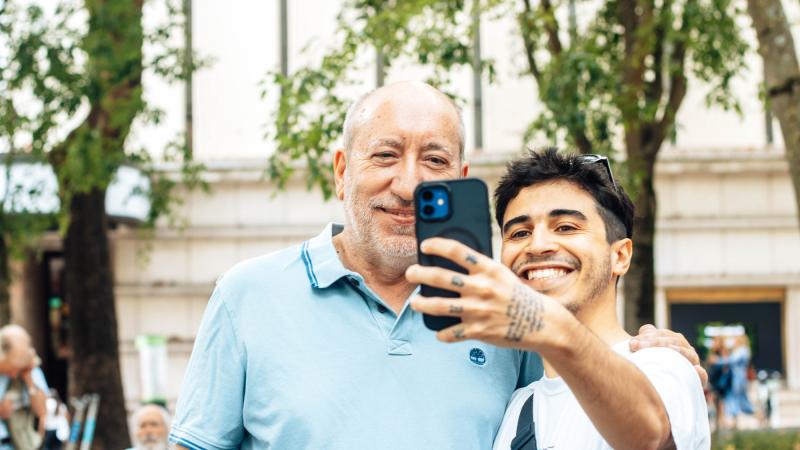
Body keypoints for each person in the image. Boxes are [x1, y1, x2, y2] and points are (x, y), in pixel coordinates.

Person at [170, 82, 704, 449]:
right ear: (341, 171)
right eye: (385, 155)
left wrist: (657, 360)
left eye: (434, 160)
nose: (409, 185)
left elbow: (637, 420)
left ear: (459, 177)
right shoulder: (248, 295)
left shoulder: (501, 310)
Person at [409, 148, 710, 449]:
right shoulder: (519, 408)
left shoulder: (663, 365)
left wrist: (546, 324)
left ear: (620, 256)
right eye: (520, 233)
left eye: (566, 227)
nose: (537, 245)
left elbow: (649, 434)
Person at [0, 324, 49, 450]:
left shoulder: (30, 369)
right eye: (11, 368)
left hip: (18, 443)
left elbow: (42, 412)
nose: (14, 374)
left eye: (18, 369)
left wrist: (29, 379)